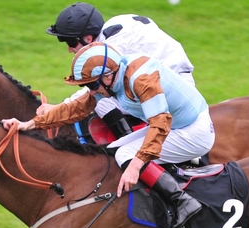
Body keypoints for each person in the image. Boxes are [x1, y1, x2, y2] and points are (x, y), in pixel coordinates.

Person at [2, 42, 214, 228]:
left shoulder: (141, 80)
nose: (91, 91)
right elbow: (76, 108)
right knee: (113, 152)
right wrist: (28, 124)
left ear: (107, 75)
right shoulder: (113, 77)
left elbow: (159, 124)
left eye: (92, 85)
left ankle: (182, 202)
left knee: (127, 157)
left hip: (193, 131)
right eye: (87, 86)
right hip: (175, 125)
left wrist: (135, 165)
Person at [44, 2, 196, 139]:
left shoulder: (114, 45)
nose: (69, 49)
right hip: (172, 83)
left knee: (100, 100)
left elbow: (93, 89)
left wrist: (59, 108)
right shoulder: (114, 27)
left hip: (172, 92)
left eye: (71, 42)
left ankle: (132, 150)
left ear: (88, 38)